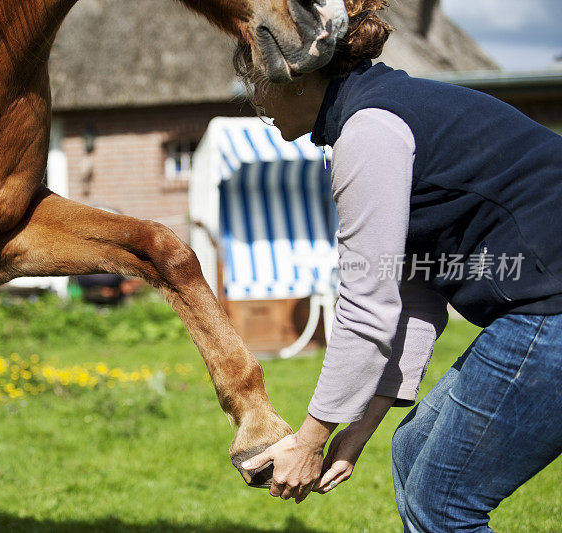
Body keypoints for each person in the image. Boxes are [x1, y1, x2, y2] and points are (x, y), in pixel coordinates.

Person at [235, 1, 562, 531]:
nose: (256, 103)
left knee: (443, 501)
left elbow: (366, 306)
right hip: (542, 307)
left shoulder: (369, 131)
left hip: (550, 309)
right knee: (414, 452)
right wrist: (357, 430)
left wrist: (311, 439)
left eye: (256, 83)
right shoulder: (378, 110)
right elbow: (412, 294)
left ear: (293, 76)